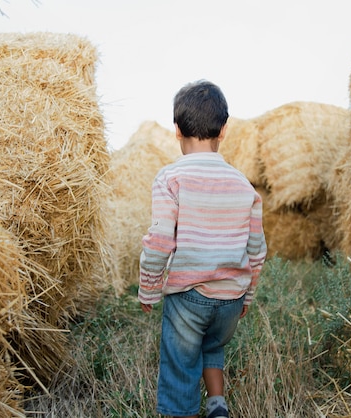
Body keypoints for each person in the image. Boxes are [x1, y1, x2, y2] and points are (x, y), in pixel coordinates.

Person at [138, 80, 267, 418]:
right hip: (231, 297)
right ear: (224, 130)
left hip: (189, 295)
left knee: (180, 365)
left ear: (177, 130)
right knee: (213, 345)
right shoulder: (243, 184)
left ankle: (181, 411)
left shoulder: (170, 178)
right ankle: (217, 404)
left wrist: (149, 289)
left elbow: (161, 240)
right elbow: (257, 251)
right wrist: (247, 296)